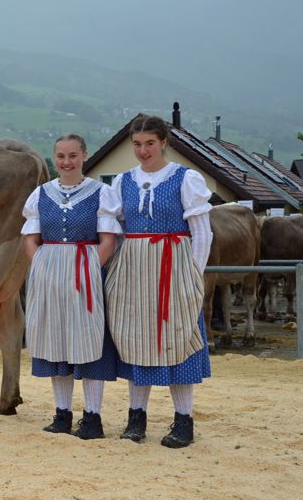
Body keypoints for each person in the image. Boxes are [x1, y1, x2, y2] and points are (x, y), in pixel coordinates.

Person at [100, 114, 213, 449]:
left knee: (180, 337)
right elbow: (112, 228)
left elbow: (202, 233)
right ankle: (137, 418)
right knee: (136, 339)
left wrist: (193, 276)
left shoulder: (185, 178)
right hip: (133, 270)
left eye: (150, 143)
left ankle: (184, 421)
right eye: (137, 144)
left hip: (173, 266)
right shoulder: (122, 182)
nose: (143, 150)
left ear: (164, 142)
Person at [21, 134, 118, 439]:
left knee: (88, 342)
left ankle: (93, 417)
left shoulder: (101, 192)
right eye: (61, 156)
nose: (66, 162)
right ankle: (62, 414)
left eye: (73, 155)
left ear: (84, 156)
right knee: (55, 341)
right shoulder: (41, 194)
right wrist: (43, 267)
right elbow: (30, 239)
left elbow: (108, 240)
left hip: (85, 271)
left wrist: (89, 269)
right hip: (49, 275)